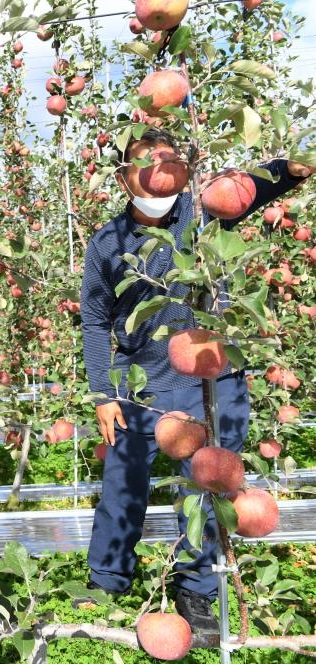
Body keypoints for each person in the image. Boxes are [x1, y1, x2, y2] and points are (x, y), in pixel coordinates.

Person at [80, 127, 311, 632]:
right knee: (123, 484)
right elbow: (95, 322)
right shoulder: (108, 243)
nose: (161, 168)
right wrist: (102, 392)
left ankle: (197, 589)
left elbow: (247, 189)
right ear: (124, 178)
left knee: (211, 485)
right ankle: (108, 578)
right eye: (147, 160)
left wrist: (287, 170)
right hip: (141, 384)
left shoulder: (200, 214)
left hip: (215, 378)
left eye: (170, 159)